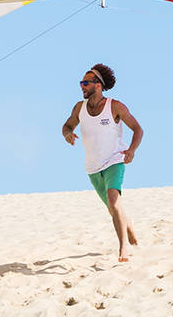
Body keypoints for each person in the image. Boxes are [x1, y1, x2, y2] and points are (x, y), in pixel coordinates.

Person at [62, 63, 143, 262]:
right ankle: (128, 226)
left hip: (115, 160)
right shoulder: (79, 108)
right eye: (81, 82)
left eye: (85, 82)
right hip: (92, 167)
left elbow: (138, 129)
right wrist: (68, 134)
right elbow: (67, 125)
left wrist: (131, 150)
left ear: (97, 85)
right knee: (112, 207)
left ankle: (123, 248)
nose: (81, 86)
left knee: (114, 201)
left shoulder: (115, 106)